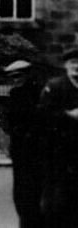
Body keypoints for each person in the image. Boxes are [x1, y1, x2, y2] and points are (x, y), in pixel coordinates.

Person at [3, 59, 46, 227]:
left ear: (28, 75)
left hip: (34, 149)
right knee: (24, 191)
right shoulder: (16, 94)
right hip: (22, 149)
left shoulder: (36, 93)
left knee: (31, 192)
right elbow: (3, 118)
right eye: (13, 77)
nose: (15, 80)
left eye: (19, 76)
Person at [39, 49, 78, 224]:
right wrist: (68, 115)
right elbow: (44, 115)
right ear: (66, 65)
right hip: (59, 152)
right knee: (58, 200)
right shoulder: (55, 86)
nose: (77, 67)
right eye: (73, 63)